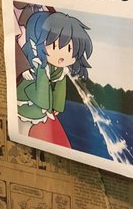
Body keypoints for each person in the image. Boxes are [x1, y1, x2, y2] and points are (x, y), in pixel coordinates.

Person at [17, 10, 93, 147]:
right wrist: (25, 70)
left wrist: (57, 105)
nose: (62, 56)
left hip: (43, 104)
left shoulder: (59, 70)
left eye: (69, 50)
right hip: (27, 97)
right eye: (54, 46)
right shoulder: (36, 59)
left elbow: (60, 84)